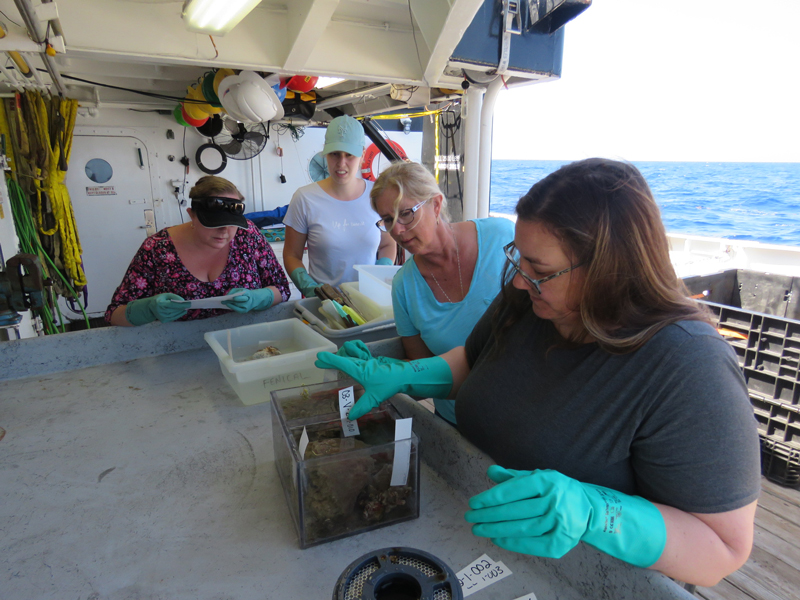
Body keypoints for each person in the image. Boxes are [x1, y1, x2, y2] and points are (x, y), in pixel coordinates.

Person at [315, 158, 761, 586]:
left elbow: (722, 549)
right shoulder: (529, 297)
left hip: (589, 576)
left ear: (609, 270)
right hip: (482, 537)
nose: (517, 281)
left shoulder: (690, 366)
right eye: (519, 259)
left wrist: (592, 510)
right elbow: (472, 360)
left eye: (540, 270)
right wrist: (403, 375)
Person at [340, 161, 513, 424]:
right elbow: (420, 364)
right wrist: (381, 373)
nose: (396, 230)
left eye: (406, 213)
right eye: (388, 219)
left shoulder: (501, 239)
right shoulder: (404, 287)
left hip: (519, 417)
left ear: (436, 204)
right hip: (457, 422)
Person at [105, 176, 290, 326]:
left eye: (232, 224)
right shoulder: (157, 248)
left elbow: (281, 288)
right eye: (214, 223)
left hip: (244, 341)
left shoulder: (247, 235)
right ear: (191, 214)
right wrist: (147, 309)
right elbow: (115, 314)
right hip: (177, 348)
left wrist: (258, 298)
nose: (224, 231)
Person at [283, 115, 396, 297]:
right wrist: (310, 288)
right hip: (324, 303)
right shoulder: (304, 199)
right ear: (326, 153)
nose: (341, 163)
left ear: (362, 155)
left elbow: (387, 245)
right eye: (335, 153)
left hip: (370, 297)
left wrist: (381, 273)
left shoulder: (378, 194)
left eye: (349, 155)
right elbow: (291, 255)